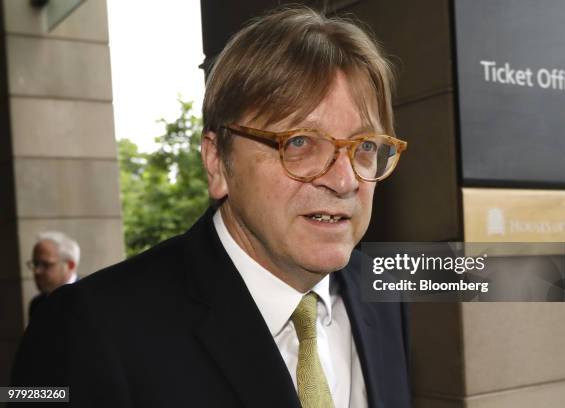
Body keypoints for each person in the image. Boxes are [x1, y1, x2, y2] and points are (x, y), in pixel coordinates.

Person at [11, 6, 411, 407]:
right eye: (299, 142)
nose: (343, 180)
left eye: (365, 147)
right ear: (217, 161)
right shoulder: (78, 328)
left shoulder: (384, 293)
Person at [26, 231, 80, 320]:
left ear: (70, 265)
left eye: (46, 264)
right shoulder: (36, 303)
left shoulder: (87, 301)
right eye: (35, 264)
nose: (37, 271)